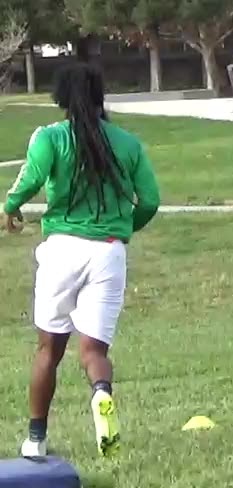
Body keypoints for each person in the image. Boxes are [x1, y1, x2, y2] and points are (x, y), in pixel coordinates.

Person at [3, 62, 160, 459]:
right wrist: (123, 227)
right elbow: (151, 201)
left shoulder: (50, 138)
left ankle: (36, 440)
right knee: (94, 352)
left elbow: (29, 180)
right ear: (100, 95)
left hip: (62, 250)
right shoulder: (128, 143)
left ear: (60, 98)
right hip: (108, 252)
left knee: (47, 352)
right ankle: (101, 393)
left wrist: (11, 207)